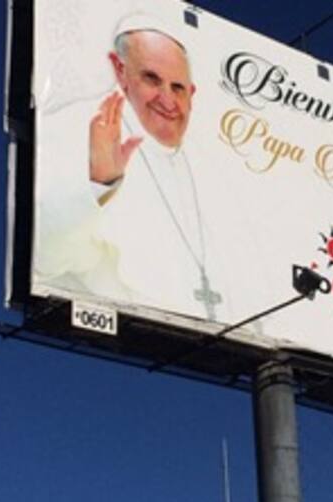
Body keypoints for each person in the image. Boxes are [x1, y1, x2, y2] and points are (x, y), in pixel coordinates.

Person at [34, 19, 230, 323]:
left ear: (192, 93)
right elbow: (44, 257)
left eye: (178, 88)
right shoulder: (73, 124)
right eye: (152, 79)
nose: (168, 100)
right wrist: (99, 185)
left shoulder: (214, 163)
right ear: (120, 70)